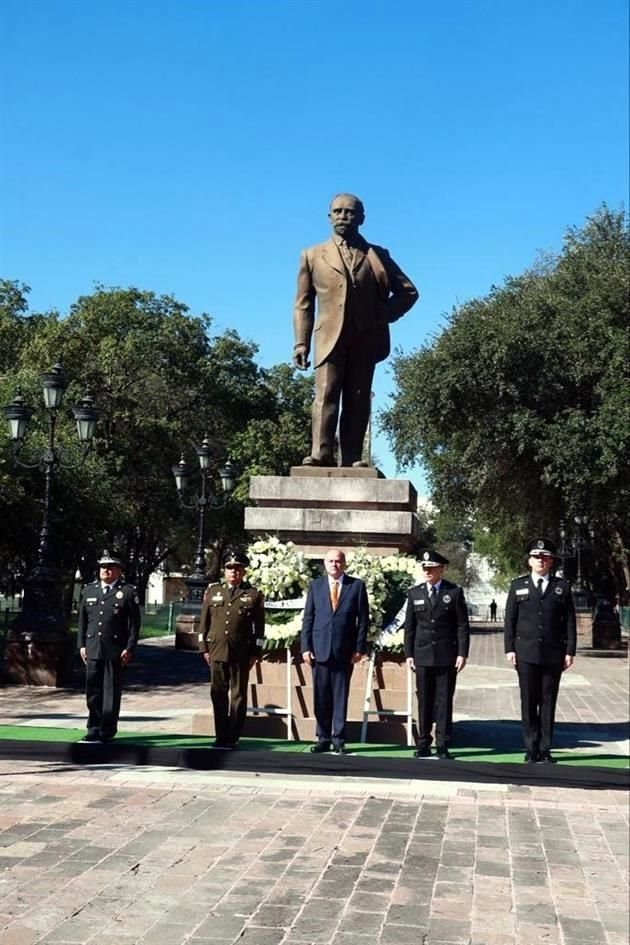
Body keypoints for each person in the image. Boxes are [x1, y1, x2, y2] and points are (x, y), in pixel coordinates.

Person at [293, 193, 418, 467]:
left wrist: (381, 315)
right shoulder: (312, 255)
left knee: (358, 398)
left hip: (365, 337)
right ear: (329, 217)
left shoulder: (377, 255)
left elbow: (408, 292)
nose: (343, 216)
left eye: (349, 212)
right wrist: (300, 343)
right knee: (325, 395)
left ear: (361, 218)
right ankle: (321, 454)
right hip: (329, 336)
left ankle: (351, 458)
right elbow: (303, 304)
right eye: (337, 211)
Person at [504, 538, 576, 763]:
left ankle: (545, 749)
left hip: (553, 654)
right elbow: (510, 620)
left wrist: (570, 651)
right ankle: (530, 747)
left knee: (547, 701)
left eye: (545, 557)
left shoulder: (561, 587)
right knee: (528, 700)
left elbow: (570, 622)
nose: (541, 561)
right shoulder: (518, 586)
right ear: (529, 561)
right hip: (525, 652)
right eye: (537, 557)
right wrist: (509, 649)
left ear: (551, 561)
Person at [301, 548, 369, 753]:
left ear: (344, 563)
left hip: (344, 650)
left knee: (340, 696)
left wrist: (359, 648)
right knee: (321, 696)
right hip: (319, 649)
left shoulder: (356, 586)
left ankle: (338, 739)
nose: (334, 564)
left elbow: (363, 620)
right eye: (330, 561)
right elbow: (308, 618)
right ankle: (322, 738)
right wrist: (305, 647)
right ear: (325, 564)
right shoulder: (316, 586)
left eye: (338, 561)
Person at [404, 549, 470, 759]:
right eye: (425, 568)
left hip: (446, 655)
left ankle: (442, 743)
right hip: (422, 654)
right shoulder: (415, 593)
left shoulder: (454, 592)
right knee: (424, 699)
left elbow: (462, 625)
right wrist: (409, 654)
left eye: (432, 568)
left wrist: (462, 653)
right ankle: (423, 742)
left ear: (441, 569)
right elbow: (410, 627)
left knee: (444, 700)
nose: (428, 571)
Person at [199, 550, 265, 749]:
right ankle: (220, 735)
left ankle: (233, 735)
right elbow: (204, 622)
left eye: (237, 568)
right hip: (216, 649)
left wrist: (256, 652)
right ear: (224, 570)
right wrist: (203, 647)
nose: (233, 572)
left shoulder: (253, 594)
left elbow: (260, 629)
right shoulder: (213, 591)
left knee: (238, 695)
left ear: (243, 571)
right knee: (218, 693)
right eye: (229, 568)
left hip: (241, 652)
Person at [77, 550, 141, 743]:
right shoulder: (89, 590)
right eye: (103, 567)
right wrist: (81, 645)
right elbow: (82, 621)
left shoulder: (127, 591)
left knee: (111, 691)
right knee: (93, 689)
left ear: (119, 570)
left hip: (115, 648)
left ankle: (107, 728)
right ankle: (93, 726)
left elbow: (134, 624)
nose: (105, 570)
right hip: (93, 646)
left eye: (110, 567)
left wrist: (129, 647)